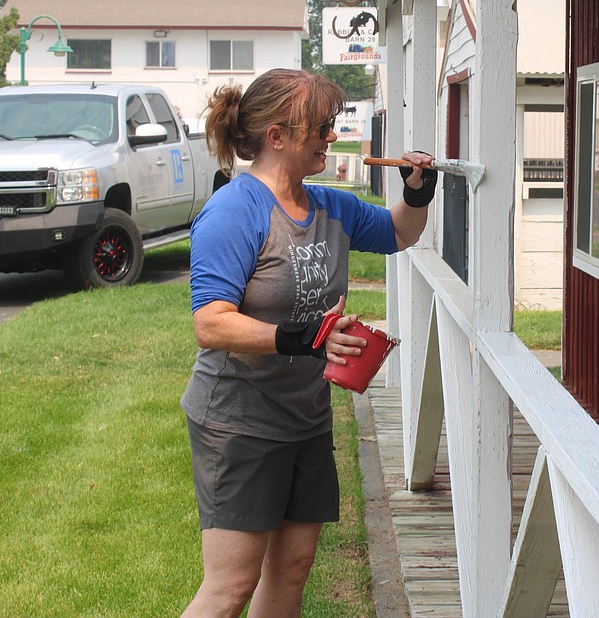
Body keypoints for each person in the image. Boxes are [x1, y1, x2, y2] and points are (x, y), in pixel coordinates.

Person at [180, 68, 436, 617]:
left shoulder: (328, 206)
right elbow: (211, 324)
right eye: (320, 126)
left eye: (332, 124)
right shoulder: (234, 212)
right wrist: (306, 339)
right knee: (229, 588)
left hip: (305, 417)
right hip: (238, 421)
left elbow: (398, 233)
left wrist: (418, 191)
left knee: (293, 570)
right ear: (277, 136)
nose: (329, 134)